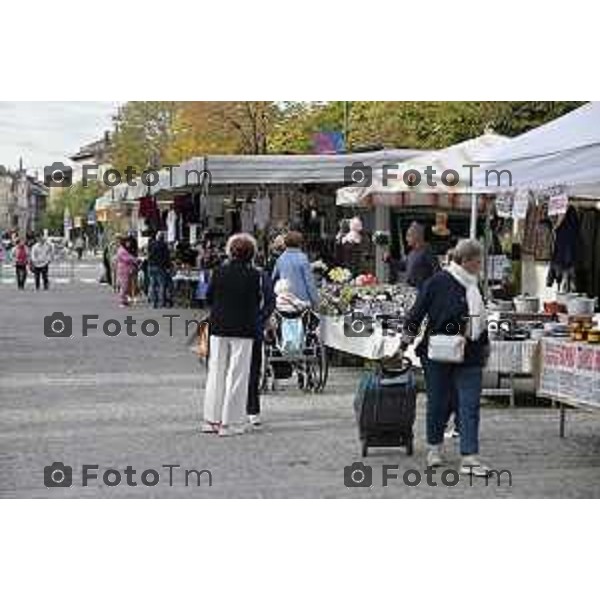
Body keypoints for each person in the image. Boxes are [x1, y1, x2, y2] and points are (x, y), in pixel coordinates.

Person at [402, 239, 491, 476]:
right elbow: (417, 313)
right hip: (438, 353)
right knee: (438, 402)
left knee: (469, 404)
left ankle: (469, 456)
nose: (480, 264)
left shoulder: (474, 285)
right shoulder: (438, 282)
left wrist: (485, 346)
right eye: (478, 260)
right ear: (466, 260)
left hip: (470, 353)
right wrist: (404, 343)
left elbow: (479, 321)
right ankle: (434, 449)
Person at [202, 233, 262, 437]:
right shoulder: (254, 275)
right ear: (251, 254)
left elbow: (208, 297)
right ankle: (231, 422)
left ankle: (211, 419)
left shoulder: (218, 272)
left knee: (216, 371)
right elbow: (256, 302)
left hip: (218, 326)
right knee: (237, 374)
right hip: (244, 328)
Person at [247, 265, 276, 428]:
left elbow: (211, 298)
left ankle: (228, 409)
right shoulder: (260, 275)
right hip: (253, 327)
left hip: (227, 329)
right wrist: (261, 317)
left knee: (229, 369)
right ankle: (252, 411)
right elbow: (270, 301)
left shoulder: (222, 271)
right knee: (252, 369)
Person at [272, 231, 318, 307]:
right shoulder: (303, 258)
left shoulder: (280, 259)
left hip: (285, 301)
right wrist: (315, 301)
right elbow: (309, 282)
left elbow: (274, 278)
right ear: (300, 244)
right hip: (302, 301)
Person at [403, 221, 438, 291]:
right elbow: (404, 265)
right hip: (410, 291)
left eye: (408, 236)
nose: (406, 239)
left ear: (416, 236)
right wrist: (389, 260)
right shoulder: (411, 253)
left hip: (422, 291)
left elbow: (437, 271)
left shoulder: (427, 251)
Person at [147, 231, 171, 309]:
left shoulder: (151, 244)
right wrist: (168, 267)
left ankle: (154, 302)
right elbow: (167, 257)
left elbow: (149, 254)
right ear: (163, 238)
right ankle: (162, 302)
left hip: (151, 266)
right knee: (161, 285)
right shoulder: (164, 245)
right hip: (160, 267)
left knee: (152, 284)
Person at [116, 237, 138, 307]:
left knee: (126, 285)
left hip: (126, 269)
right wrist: (135, 259)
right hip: (123, 270)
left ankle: (125, 300)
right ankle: (122, 301)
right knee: (124, 286)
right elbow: (127, 258)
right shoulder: (122, 250)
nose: (128, 244)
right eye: (127, 242)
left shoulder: (123, 250)